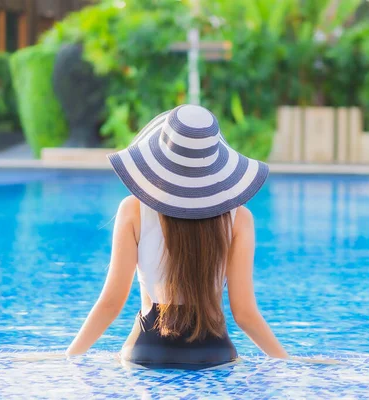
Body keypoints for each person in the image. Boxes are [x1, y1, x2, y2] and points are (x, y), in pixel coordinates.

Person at [66, 104, 288, 369]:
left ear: (161, 157)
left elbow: (111, 303)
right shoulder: (240, 219)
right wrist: (289, 362)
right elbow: (244, 314)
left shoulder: (133, 210)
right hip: (213, 353)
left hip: (146, 353)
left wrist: (69, 358)